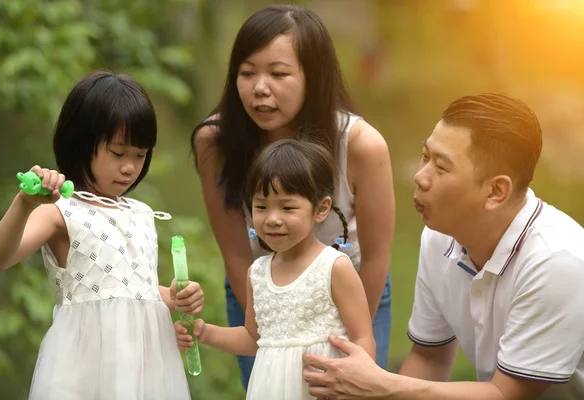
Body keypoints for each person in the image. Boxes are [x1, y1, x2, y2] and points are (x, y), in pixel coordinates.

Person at [302, 93, 584, 400]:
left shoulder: (556, 260)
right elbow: (429, 357)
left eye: (441, 167)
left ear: (496, 191)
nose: (419, 177)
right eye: (426, 156)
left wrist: (380, 386)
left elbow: (507, 394)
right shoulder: (440, 237)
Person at [191, 4, 395, 389]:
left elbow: (377, 255)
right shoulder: (216, 142)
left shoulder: (361, 145)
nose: (259, 88)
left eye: (279, 73)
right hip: (263, 288)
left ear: (312, 76)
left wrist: (352, 335)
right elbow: (236, 253)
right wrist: (270, 320)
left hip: (350, 291)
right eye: (247, 73)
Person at [0, 71, 204, 400]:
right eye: (118, 154)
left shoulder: (140, 212)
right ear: (82, 143)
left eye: (140, 154)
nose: (130, 167)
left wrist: (171, 296)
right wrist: (24, 204)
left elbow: (128, 288)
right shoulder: (60, 209)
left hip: (147, 367)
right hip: (84, 367)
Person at [176, 139, 376, 399]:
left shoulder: (333, 267)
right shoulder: (257, 272)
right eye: (261, 206)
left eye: (287, 207)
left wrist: (359, 383)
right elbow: (253, 338)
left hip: (322, 390)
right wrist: (206, 332)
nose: (272, 218)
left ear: (321, 209)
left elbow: (363, 338)